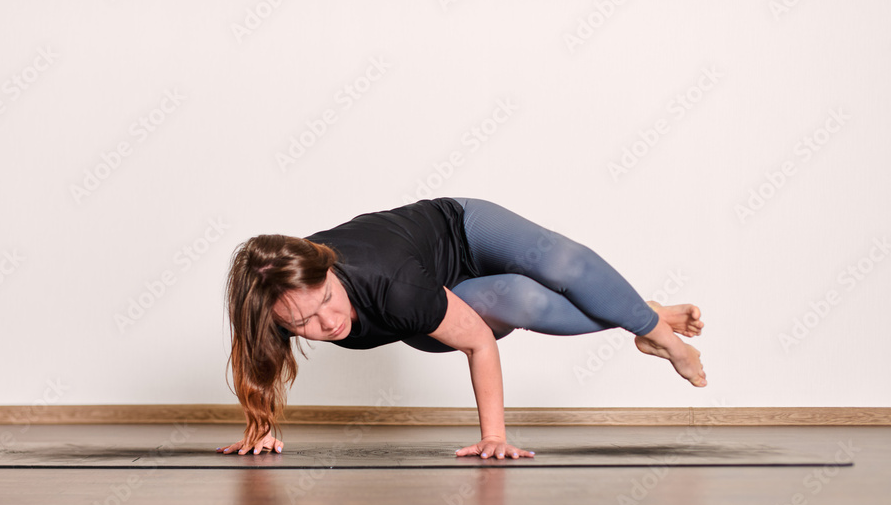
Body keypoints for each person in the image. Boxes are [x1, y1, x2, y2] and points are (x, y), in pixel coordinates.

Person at [219, 197, 706, 460]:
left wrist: (494, 435)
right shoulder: (272, 301)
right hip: (421, 314)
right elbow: (259, 366)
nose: (328, 323)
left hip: (460, 233)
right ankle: (642, 314)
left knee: (562, 264)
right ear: (277, 319)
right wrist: (260, 430)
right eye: (303, 324)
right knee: (521, 299)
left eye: (328, 299)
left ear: (328, 269)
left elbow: (479, 346)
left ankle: (652, 328)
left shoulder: (389, 282)